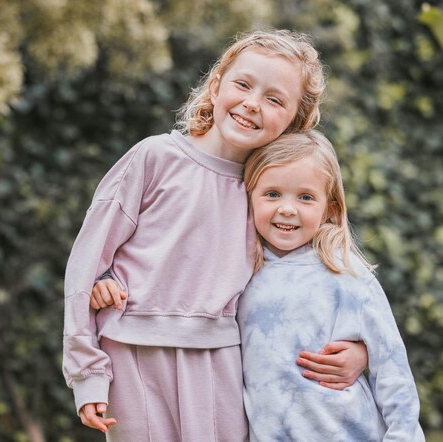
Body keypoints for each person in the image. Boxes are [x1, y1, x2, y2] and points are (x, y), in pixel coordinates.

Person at [64, 29, 368, 441]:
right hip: (131, 352)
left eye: (275, 99)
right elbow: (85, 267)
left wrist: (360, 349)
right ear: (215, 84)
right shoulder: (154, 158)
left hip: (223, 362)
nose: (251, 104)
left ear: (294, 122)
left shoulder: (272, 195)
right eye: (243, 84)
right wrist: (87, 371)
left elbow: (311, 284)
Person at [237, 130, 425, 441]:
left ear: (330, 208)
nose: (287, 208)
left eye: (306, 197)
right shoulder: (238, 271)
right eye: (272, 194)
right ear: (248, 197)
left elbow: (392, 368)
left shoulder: (346, 275)